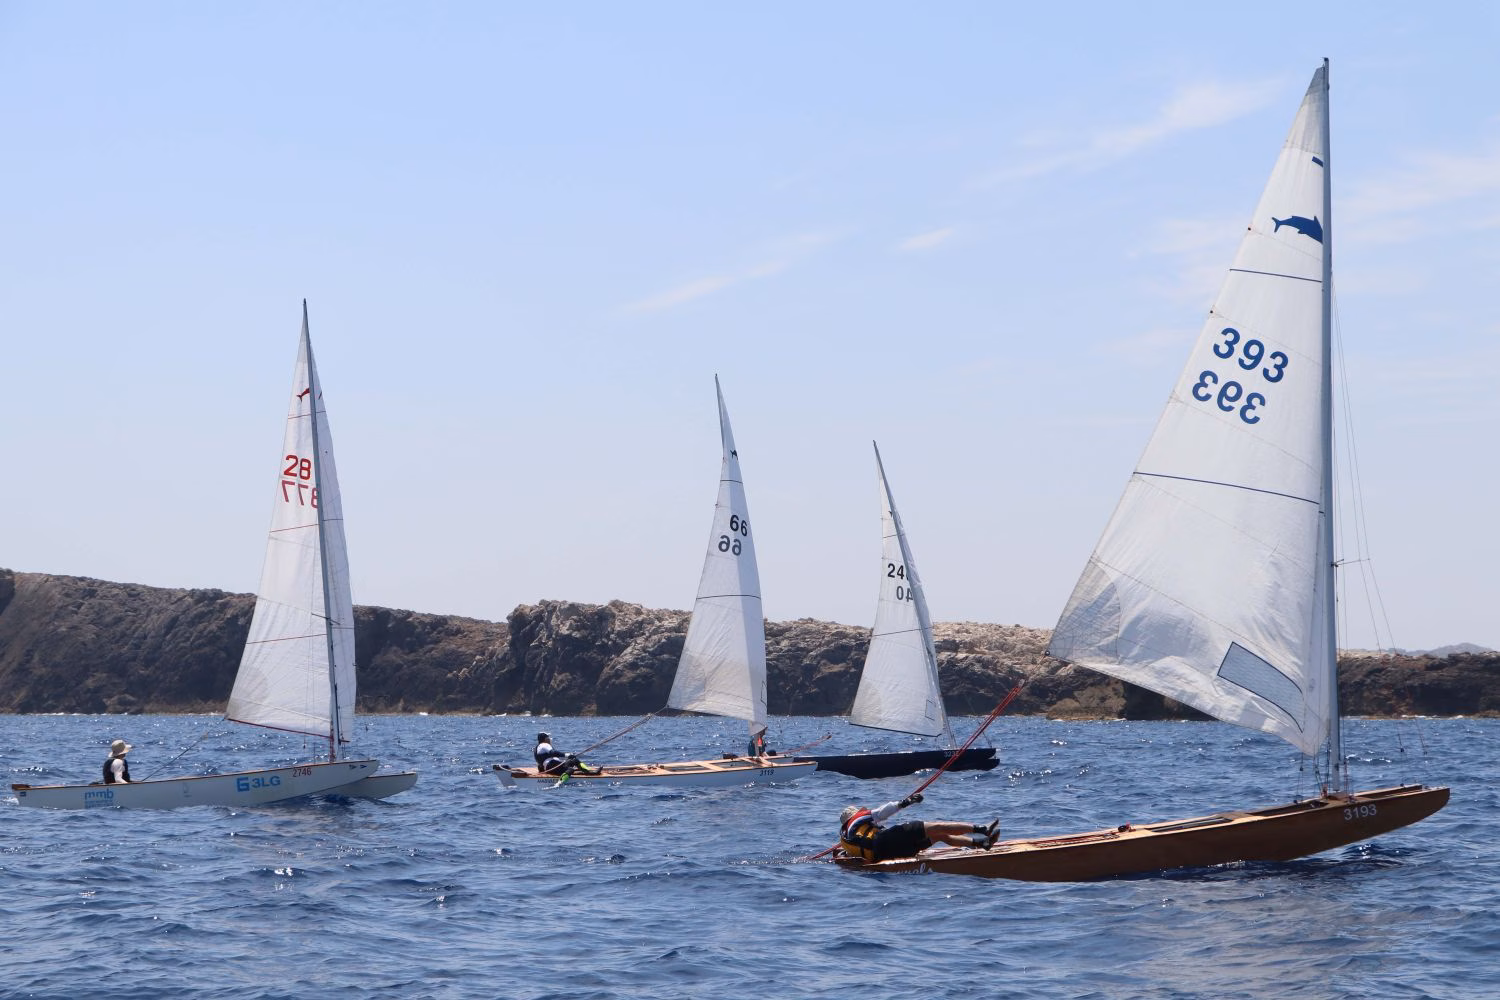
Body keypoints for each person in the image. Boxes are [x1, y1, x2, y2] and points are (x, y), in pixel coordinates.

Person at [838, 792, 999, 862]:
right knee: (937, 827)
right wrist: (906, 802)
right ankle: (982, 829)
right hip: (885, 840)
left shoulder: (847, 839)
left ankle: (981, 843)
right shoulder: (858, 819)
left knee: (939, 837)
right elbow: (882, 812)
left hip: (884, 854)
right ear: (854, 815)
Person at [533, 731, 601, 777]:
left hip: (552, 766)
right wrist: (567, 755)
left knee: (574, 760)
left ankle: (588, 771)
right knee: (571, 770)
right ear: (545, 739)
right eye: (548, 737)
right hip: (552, 767)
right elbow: (553, 753)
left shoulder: (538, 747)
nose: (550, 739)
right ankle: (560, 782)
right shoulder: (544, 744)